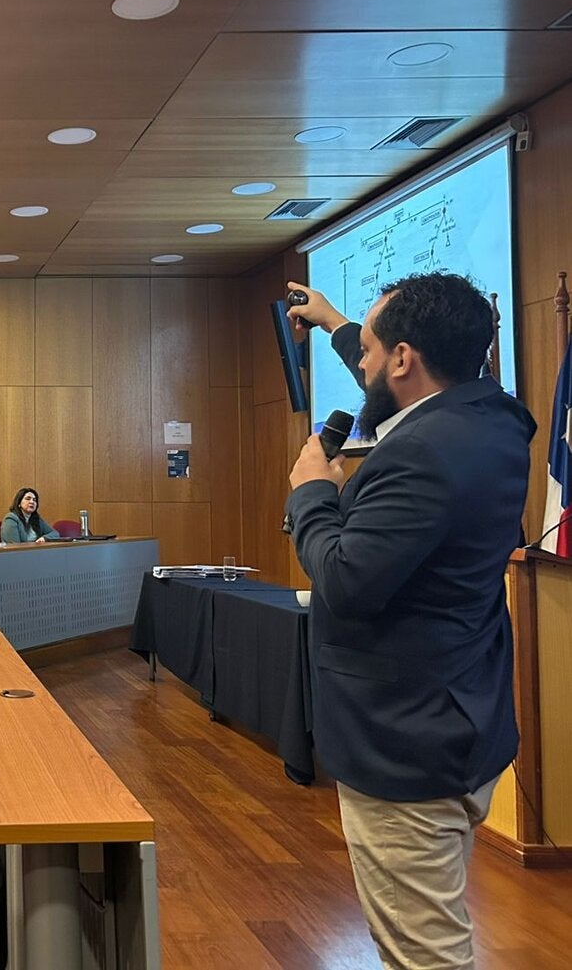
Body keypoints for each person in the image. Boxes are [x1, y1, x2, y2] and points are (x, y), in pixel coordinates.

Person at [285, 273, 533, 970]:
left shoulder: (423, 454)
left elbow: (343, 580)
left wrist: (311, 494)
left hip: (406, 741)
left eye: (366, 349)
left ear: (402, 358)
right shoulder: (492, 417)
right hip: (463, 713)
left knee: (425, 953)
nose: (360, 361)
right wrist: (337, 322)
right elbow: (389, 383)